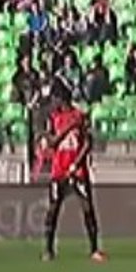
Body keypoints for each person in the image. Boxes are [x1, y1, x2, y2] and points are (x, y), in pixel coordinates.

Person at [40, 81, 105, 262]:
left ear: (61, 99)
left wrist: (76, 163)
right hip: (59, 170)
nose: (53, 102)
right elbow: (52, 142)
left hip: (77, 170)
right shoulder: (53, 118)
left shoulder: (79, 116)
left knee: (87, 208)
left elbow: (87, 143)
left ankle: (94, 249)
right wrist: (69, 127)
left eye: (55, 98)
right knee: (53, 209)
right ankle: (48, 250)